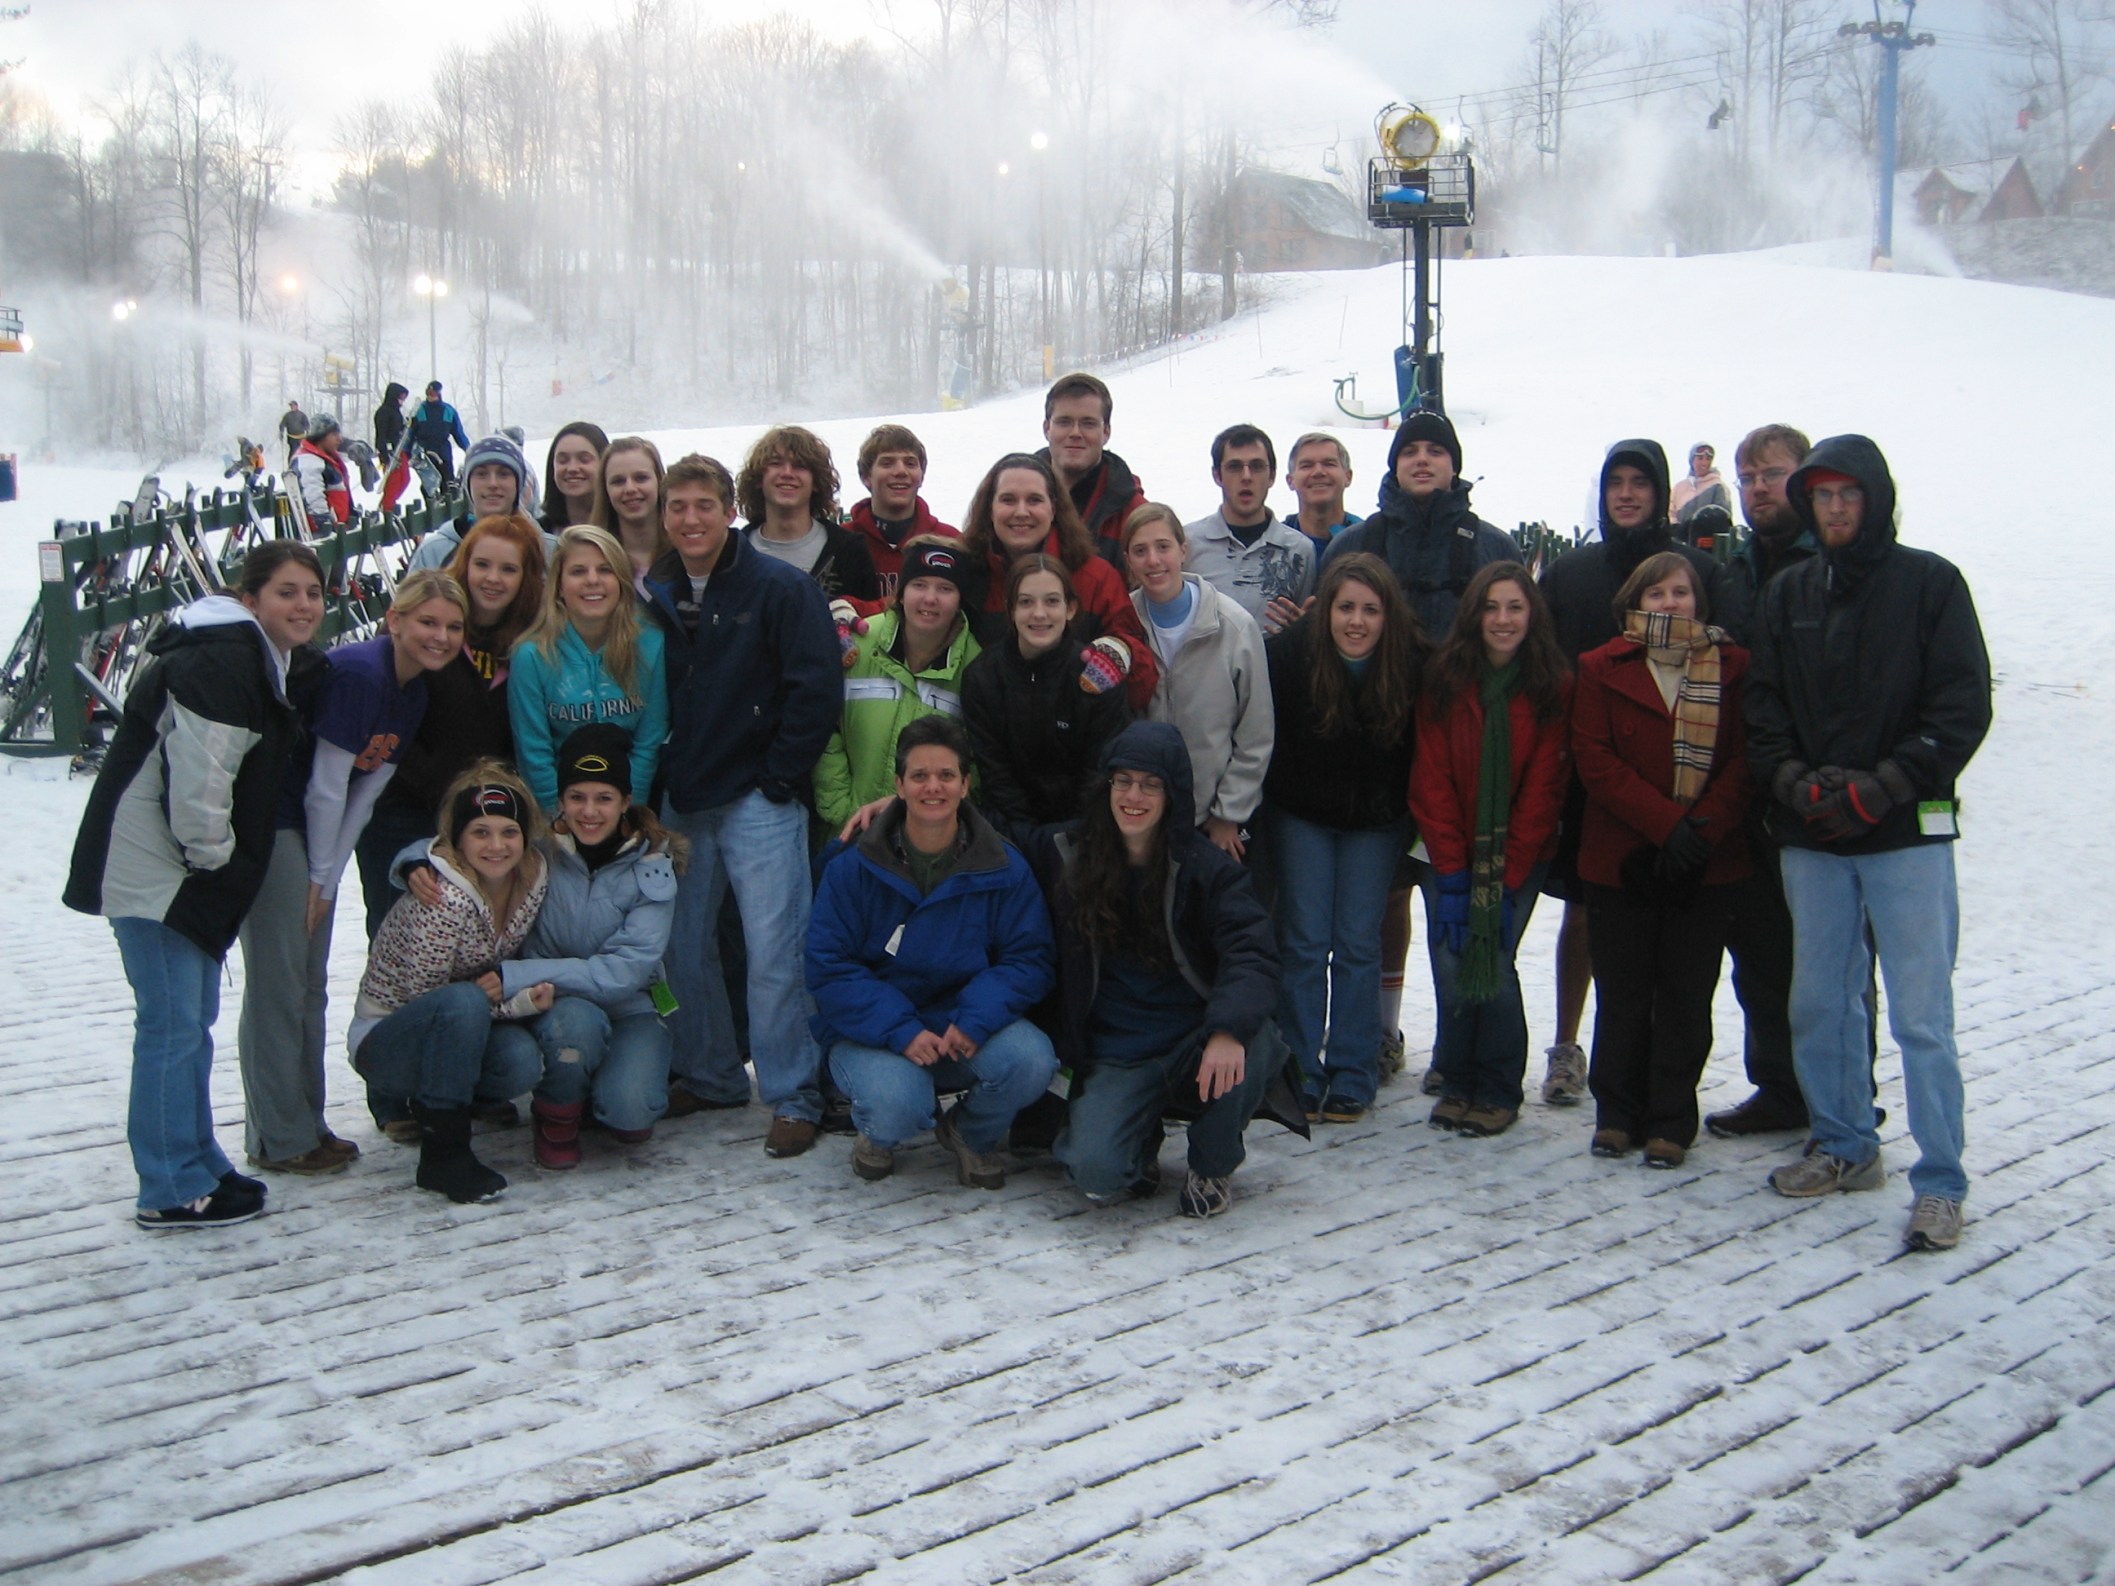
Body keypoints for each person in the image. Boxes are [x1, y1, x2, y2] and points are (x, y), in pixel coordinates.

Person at [1745, 435, 1991, 1252]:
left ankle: (1941, 1181)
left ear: (1876, 498)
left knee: (1921, 1015)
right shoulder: (1786, 594)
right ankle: (1845, 1143)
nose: (1836, 508)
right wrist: (1794, 785)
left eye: (1849, 494)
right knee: (1819, 1000)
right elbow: (1764, 708)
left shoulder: (1930, 584)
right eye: (1822, 496)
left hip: (1903, 834)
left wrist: (1883, 784)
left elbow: (1959, 705)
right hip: (1813, 836)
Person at [65, 543, 326, 1229]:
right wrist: (215, 869)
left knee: (191, 1022)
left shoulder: (244, 657)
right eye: (286, 592)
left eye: (313, 594)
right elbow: (201, 789)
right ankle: (168, 1187)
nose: (303, 606)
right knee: (171, 1027)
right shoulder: (222, 663)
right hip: (157, 873)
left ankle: (198, 1160)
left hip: (174, 870)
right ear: (250, 600)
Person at [640, 453, 843, 1155]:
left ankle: (792, 1091)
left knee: (774, 949)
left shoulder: (777, 587)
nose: (690, 520)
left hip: (756, 796)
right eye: (677, 507)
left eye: (703, 505)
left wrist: (779, 779)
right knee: (682, 947)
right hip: (683, 798)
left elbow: (815, 689)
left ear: (730, 508)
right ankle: (710, 1070)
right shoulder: (654, 591)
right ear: (664, 516)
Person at [237, 569, 468, 1175]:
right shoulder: (362, 674)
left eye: (451, 626)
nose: (439, 636)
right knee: (280, 986)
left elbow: (366, 795)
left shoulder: (413, 691)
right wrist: (318, 876)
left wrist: (328, 876)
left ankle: (306, 1122)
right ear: (395, 620)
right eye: (426, 622)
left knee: (309, 984)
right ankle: (278, 1136)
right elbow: (324, 786)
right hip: (278, 822)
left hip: (315, 838)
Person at [1322, 410, 1514, 1086]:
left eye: (1437, 450)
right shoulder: (1359, 542)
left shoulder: (1488, 545)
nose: (1423, 461)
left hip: (1459, 760)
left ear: (1455, 465)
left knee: (1452, 900)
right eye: (1411, 451)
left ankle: (1459, 1048)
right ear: (1394, 464)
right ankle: (1381, 1031)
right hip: (1376, 753)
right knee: (1382, 902)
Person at [1534, 439, 1721, 1111]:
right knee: (1587, 917)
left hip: (1685, 791)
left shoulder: (1698, 572)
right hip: (1595, 777)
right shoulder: (1572, 573)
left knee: (1671, 933)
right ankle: (1566, 1046)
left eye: (1640, 482)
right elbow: (1544, 666)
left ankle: (1650, 1063)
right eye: (1615, 481)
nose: (1626, 493)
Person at [1040, 721, 1292, 1218]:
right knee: (1095, 1173)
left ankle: (1212, 1163)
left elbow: (1253, 953)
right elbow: (984, 834)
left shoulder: (1207, 870)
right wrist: (898, 813)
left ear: (1173, 794)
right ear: (1106, 787)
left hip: (1193, 1043)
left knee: (1254, 1037)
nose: (1135, 795)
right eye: (1123, 781)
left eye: (1151, 784)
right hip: (1118, 1053)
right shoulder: (1070, 855)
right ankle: (1137, 1144)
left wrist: (1226, 1030)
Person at [405, 725, 687, 1168]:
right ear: (561, 799)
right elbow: (469, 839)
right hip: (552, 1006)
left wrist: (515, 974)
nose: (589, 811)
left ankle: (602, 1087)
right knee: (575, 1023)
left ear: (625, 801)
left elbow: (619, 974)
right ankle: (558, 1111)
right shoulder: (537, 849)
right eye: (577, 797)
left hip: (629, 1005)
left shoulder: (652, 864)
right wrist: (415, 860)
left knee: (629, 1112)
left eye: (603, 798)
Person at [808, 715, 1058, 1188]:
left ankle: (968, 1132)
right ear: (899, 785)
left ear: (965, 785)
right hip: (874, 1032)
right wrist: (899, 1029)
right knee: (898, 1104)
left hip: (959, 1026)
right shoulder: (852, 865)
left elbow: (1029, 958)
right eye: (919, 776)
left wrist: (973, 1018)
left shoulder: (1003, 865)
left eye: (946, 775)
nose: (933, 788)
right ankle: (879, 1132)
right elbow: (829, 967)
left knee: (1031, 1060)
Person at [1572, 551, 1753, 1168]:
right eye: (1655, 594)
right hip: (1622, 855)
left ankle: (1671, 1117)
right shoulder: (1601, 666)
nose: (1668, 603)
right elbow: (1595, 759)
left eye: (1679, 592)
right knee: (1623, 993)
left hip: (1706, 858)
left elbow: (1744, 758)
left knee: (1685, 992)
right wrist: (1663, 825)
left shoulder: (1732, 666)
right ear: (1634, 601)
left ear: (1698, 600)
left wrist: (1699, 831)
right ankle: (1617, 1112)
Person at [1409, 562, 1572, 1139]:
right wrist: (1454, 871)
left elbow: (1543, 790)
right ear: (1474, 613)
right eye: (1492, 607)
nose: (1503, 620)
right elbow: (1429, 776)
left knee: (1494, 960)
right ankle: (1456, 1077)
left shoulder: (1550, 685)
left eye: (1515, 608)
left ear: (1532, 615)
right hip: (1447, 847)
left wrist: (1503, 876)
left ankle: (1499, 1085)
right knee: (1452, 961)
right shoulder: (1446, 678)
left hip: (1517, 852)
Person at [1263, 553, 1424, 1123]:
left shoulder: (1410, 664)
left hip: (1375, 823)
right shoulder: (1290, 657)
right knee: (1305, 940)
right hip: (1303, 814)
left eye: (1371, 610)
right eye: (1346, 607)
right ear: (1324, 609)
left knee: (1358, 942)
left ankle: (1354, 1069)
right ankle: (1300, 1068)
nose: (1356, 622)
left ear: (1389, 616)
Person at [349, 764, 551, 1203]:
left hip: (463, 1023)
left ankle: (450, 1103)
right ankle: (444, 1153)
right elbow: (430, 1002)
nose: (497, 846)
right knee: (461, 1002)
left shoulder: (532, 875)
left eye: (508, 831)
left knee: (521, 1061)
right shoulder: (443, 897)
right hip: (390, 1038)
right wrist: (512, 1005)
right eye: (480, 832)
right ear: (456, 838)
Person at [1705, 422, 1822, 1139]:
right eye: (1747, 478)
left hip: (1817, 794)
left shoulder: (1830, 563)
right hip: (1748, 793)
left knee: (1827, 962)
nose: (1756, 489)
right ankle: (1778, 1086)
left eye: (1770, 475)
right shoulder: (1736, 571)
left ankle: (1836, 1095)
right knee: (1759, 955)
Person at [354, 513, 545, 939]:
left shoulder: (530, 646)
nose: (492, 579)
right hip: (404, 812)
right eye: (482, 564)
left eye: (508, 568)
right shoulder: (435, 631)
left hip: (482, 821)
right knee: (402, 941)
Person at [1121, 503, 1273, 860]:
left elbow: (1256, 732)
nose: (1154, 560)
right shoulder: (1122, 623)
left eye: (1163, 547)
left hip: (1212, 821)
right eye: (1140, 551)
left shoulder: (1233, 626)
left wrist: (1228, 814)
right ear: (1128, 559)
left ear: (1183, 550)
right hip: (1142, 814)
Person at [958, 451, 1158, 711]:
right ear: (989, 508)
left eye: (1034, 500)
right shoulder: (966, 572)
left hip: (1076, 732)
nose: (1021, 512)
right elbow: (907, 607)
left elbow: (1142, 677)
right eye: (1008, 500)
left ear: (1053, 508)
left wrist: (1122, 652)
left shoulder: (1096, 578)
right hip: (989, 730)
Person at [961, 554, 1132, 846]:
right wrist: (1030, 837)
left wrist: (1071, 835)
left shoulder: (1096, 676)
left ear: (1070, 608)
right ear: (1010, 609)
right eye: (1026, 602)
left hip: (1086, 832)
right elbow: (995, 772)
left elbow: (1099, 770)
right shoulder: (982, 677)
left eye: (1052, 601)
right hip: (1009, 832)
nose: (1039, 614)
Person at [813, 537, 979, 834]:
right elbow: (823, 724)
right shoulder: (858, 644)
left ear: (960, 599)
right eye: (919, 585)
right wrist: (840, 807)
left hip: (929, 834)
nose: (930, 598)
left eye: (945, 588)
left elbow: (976, 761)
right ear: (901, 593)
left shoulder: (976, 669)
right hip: (847, 829)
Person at [508, 525, 668, 812]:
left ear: (621, 580)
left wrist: (628, 813)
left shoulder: (650, 644)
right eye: (578, 571)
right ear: (558, 584)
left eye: (605, 570)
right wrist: (560, 821)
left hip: (630, 809)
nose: (592, 580)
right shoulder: (531, 656)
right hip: (559, 814)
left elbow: (649, 743)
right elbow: (534, 755)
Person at [1182, 423, 1315, 636]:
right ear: (1217, 475)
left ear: (1271, 476)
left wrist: (1301, 629)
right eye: (1234, 467)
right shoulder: (1187, 543)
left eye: (1257, 466)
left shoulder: (1299, 549)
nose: (1246, 476)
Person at [736, 425, 879, 602]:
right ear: (758, 478)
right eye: (775, 463)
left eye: (800, 466)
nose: (787, 473)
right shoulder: (735, 554)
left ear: (817, 482)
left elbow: (871, 622)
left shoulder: (849, 551)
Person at [1038, 371, 1146, 570]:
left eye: (1088, 423)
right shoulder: (1013, 501)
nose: (1075, 433)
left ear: (1106, 432)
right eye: (1064, 422)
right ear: (1046, 429)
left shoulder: (1132, 514)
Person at [842, 423, 960, 605]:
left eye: (910, 463)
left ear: (921, 476)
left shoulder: (950, 541)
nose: (900, 471)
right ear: (866, 476)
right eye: (887, 463)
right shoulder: (842, 541)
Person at [407, 431, 544, 571]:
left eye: (503, 474)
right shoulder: (434, 552)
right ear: (468, 483)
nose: (493, 484)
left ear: (518, 483)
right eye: (481, 474)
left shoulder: (544, 549)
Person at [589, 434, 667, 582]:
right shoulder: (591, 557)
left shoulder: (685, 554)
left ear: (659, 480)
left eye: (641, 478)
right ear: (605, 489)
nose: (630, 488)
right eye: (618, 481)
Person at [1283, 431, 1363, 558]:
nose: (1318, 472)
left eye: (1329, 464)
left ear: (1348, 477)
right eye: (1306, 466)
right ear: (1290, 481)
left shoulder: (1370, 542)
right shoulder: (1273, 547)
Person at [541, 421, 611, 535]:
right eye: (563, 460)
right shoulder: (538, 534)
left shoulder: (625, 529)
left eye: (584, 459)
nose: (572, 468)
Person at [290, 412, 352, 531]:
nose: (339, 439)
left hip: (338, 528)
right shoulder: (308, 461)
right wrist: (325, 527)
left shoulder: (323, 457)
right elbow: (314, 499)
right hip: (324, 532)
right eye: (334, 434)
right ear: (321, 436)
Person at [411, 381, 471, 489]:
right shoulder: (419, 410)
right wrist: (407, 451)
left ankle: (448, 499)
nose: (430, 396)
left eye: (433, 393)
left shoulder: (448, 411)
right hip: (425, 450)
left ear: (438, 394)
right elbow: (410, 433)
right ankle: (431, 502)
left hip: (443, 448)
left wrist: (468, 449)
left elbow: (458, 433)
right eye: (428, 393)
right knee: (428, 484)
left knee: (448, 480)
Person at [373, 383, 413, 510]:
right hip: (390, 452)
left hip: (400, 450)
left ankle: (388, 502)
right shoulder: (383, 412)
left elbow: (397, 430)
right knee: (393, 482)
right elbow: (382, 434)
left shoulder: (396, 412)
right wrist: (384, 453)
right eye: (400, 397)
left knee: (405, 479)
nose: (402, 401)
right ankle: (388, 507)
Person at [1670, 442, 1732, 525]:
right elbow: (1670, 514)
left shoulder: (1717, 486)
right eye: (1700, 458)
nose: (1704, 463)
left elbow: (1723, 517)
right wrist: (1676, 528)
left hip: (1707, 536)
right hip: (1680, 537)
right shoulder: (1679, 487)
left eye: (1708, 459)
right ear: (1692, 461)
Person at [279, 399, 307, 466]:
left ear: (297, 406)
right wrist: (281, 432)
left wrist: (307, 431)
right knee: (293, 451)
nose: (292, 407)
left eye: (293, 405)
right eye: (291, 406)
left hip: (301, 436)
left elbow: (306, 424)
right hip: (291, 437)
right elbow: (282, 424)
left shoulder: (302, 415)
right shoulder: (287, 416)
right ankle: (291, 466)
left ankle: (299, 466)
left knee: (301, 451)